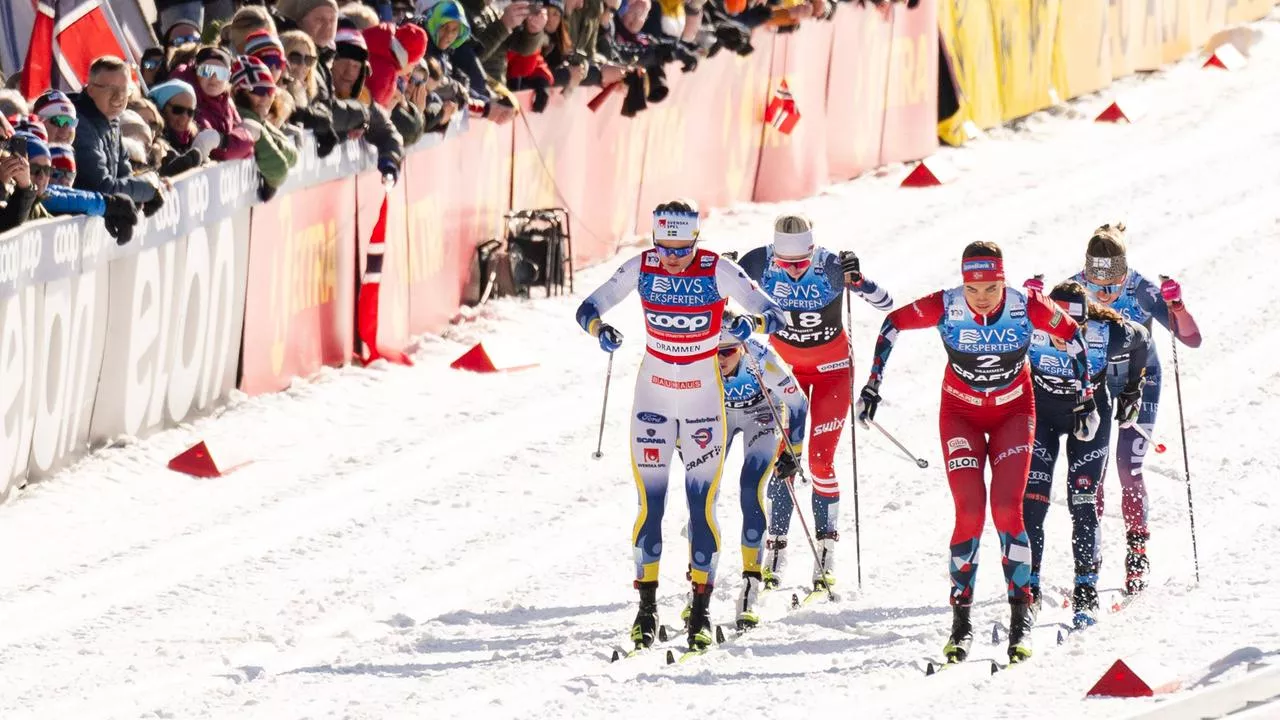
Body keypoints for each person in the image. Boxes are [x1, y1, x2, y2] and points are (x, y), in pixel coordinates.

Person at [854, 241, 1097, 665]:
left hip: (1014, 414)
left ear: (1003, 280)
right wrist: (873, 384)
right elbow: (892, 323)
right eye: (973, 288)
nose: (982, 296)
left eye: (990, 287)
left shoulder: (1028, 306)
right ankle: (961, 624)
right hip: (961, 415)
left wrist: (1086, 398)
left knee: (1007, 510)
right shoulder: (945, 305)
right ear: (962, 283)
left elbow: (1073, 336)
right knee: (969, 512)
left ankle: (1020, 616)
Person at [575, 199, 787, 652]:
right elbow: (589, 306)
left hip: (702, 401)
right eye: (664, 247)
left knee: (699, 508)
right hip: (652, 396)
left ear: (696, 239)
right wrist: (599, 330)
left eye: (682, 248)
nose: (672, 259)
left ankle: (701, 611)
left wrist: (752, 321)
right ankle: (646, 610)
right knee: (650, 506)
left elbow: (775, 313)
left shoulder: (715, 269)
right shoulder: (642, 265)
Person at [735, 213, 892, 594]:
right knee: (782, 459)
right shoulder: (757, 261)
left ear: (812, 252)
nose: (791, 272)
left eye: (800, 264)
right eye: (785, 264)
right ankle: (776, 546)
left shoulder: (833, 265)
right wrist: (725, 270)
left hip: (832, 372)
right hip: (783, 373)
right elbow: (723, 297)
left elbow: (885, 303)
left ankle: (826, 548)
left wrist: (860, 279)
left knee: (820, 460)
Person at [1058, 223, 1202, 595]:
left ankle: (1137, 551)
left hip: (1141, 382)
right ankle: (1093, 553)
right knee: (1096, 469)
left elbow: (1191, 338)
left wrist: (1176, 307)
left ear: (1124, 272)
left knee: (1129, 465)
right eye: (1096, 284)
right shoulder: (1073, 288)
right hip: (1098, 384)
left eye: (1112, 285)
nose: (1104, 294)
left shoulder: (1142, 289)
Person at [1021, 280, 1151, 629]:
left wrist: (1131, 391)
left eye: (1076, 326)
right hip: (1043, 417)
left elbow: (1143, 340)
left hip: (1089, 418)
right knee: (1033, 503)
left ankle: (1085, 590)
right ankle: (1029, 588)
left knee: (1082, 500)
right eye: (1057, 325)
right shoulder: (1029, 327)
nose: (1065, 335)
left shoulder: (1106, 332)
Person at [709, 317, 808, 631]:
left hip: (761, 414)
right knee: (702, 491)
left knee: (750, 489)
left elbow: (798, 401)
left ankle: (751, 584)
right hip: (719, 413)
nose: (720, 358)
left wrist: (796, 449)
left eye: (727, 352)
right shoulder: (699, 353)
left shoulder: (760, 357)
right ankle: (699, 585)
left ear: (741, 347)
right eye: (715, 352)